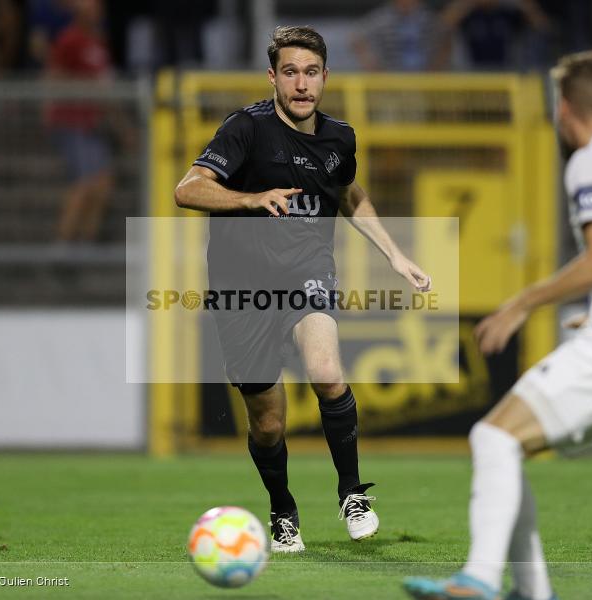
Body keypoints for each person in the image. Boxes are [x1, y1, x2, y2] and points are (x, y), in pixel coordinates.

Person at [404, 50, 592, 600]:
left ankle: (480, 579)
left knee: (491, 436)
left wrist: (523, 303)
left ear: (566, 108)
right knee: (505, 444)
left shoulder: (590, 162)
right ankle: (531, 591)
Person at [174, 26, 431, 553]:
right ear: (272, 77)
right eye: (290, 72)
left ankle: (352, 494)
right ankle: (282, 509)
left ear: (325, 76)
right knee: (269, 424)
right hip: (241, 289)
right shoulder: (246, 129)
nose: (301, 84)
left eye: (311, 72)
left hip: (305, 270)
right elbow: (188, 188)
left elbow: (349, 193)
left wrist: (394, 253)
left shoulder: (339, 138)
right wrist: (250, 199)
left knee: (327, 371)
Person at [45, 0, 131, 242]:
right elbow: (53, 79)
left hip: (92, 125)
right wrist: (87, 86)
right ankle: (63, 246)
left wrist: (123, 129)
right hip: (71, 123)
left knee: (103, 184)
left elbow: (107, 93)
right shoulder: (69, 40)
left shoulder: (99, 43)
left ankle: (86, 242)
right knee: (85, 184)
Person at [351, 0, 444, 72]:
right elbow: (355, 37)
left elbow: (444, 39)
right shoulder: (382, 19)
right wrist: (373, 68)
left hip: (425, 79)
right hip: (392, 79)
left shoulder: (429, 19)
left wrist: (435, 69)